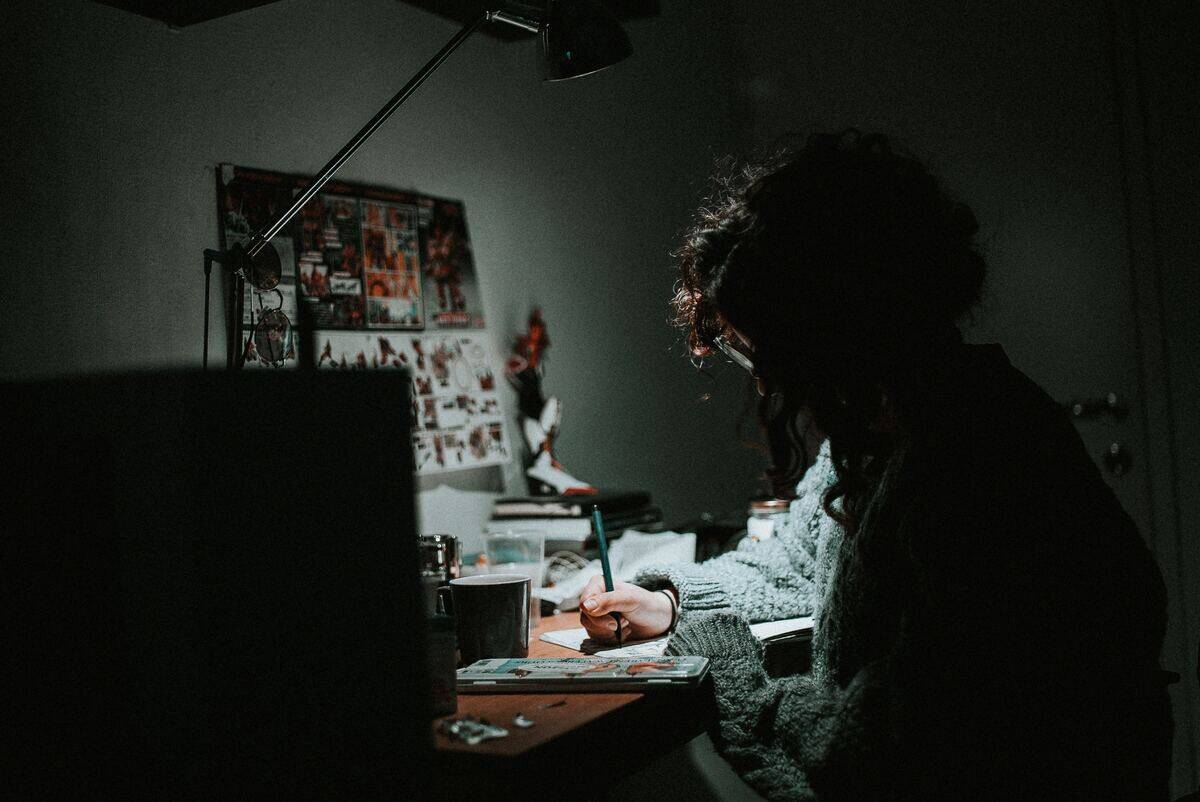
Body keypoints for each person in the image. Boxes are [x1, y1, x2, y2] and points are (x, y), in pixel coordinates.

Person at [579, 131, 1172, 800]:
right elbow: (798, 561)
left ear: (837, 328)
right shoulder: (879, 429)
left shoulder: (977, 463)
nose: (769, 389)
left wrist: (719, 659)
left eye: (763, 358)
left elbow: (872, 760)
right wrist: (669, 599)